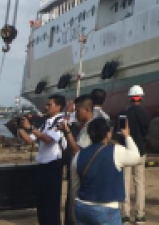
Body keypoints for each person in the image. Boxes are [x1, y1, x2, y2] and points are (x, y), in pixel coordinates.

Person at [71, 117, 141, 224]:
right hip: (106, 209)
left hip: (82, 207)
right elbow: (136, 157)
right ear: (108, 134)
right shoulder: (116, 151)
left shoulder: (78, 155)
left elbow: (74, 188)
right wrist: (127, 135)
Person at [19, 94, 68, 225]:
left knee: (51, 203)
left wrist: (30, 128)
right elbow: (31, 139)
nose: (46, 107)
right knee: (42, 202)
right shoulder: (46, 122)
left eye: (49, 104)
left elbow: (47, 139)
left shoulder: (61, 121)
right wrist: (20, 128)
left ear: (58, 106)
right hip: (42, 165)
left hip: (53, 164)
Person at [119, 85, 151, 223]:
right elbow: (146, 132)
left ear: (130, 98)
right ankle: (140, 215)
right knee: (140, 183)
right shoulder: (146, 114)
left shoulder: (122, 114)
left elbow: (120, 133)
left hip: (126, 152)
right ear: (141, 98)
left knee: (125, 183)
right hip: (140, 152)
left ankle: (125, 215)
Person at [63, 94, 94, 225]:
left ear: (87, 110)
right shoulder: (84, 126)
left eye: (77, 110)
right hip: (81, 171)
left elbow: (76, 150)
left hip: (83, 172)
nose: (75, 114)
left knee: (76, 206)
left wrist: (67, 132)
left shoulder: (89, 128)